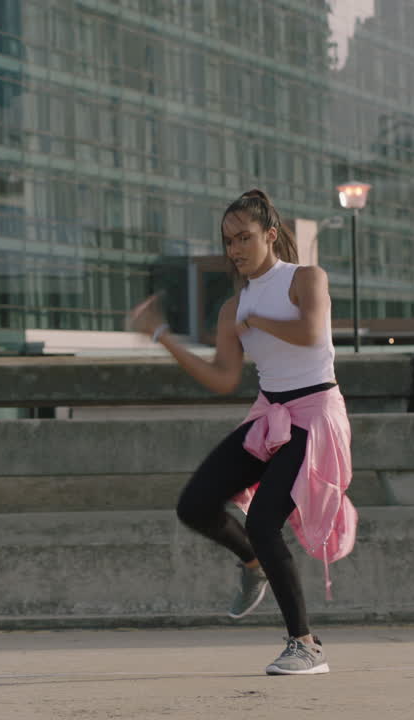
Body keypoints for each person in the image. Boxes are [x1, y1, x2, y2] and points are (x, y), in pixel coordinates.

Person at [128, 189, 356, 676]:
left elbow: (312, 333)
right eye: (228, 240)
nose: (235, 249)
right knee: (194, 504)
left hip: (314, 415)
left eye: (244, 238)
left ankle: (306, 645)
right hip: (269, 414)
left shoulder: (305, 279)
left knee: (264, 518)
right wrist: (162, 336)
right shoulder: (234, 308)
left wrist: (258, 319)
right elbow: (223, 378)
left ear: (270, 235)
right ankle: (252, 564)